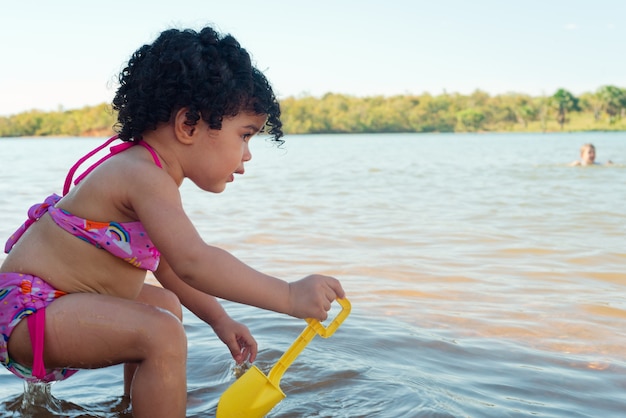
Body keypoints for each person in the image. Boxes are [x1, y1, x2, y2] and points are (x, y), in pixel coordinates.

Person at [0, 26, 345, 418]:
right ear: (189, 125)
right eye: (244, 135)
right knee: (162, 333)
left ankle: (134, 407)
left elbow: (169, 267)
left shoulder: (146, 172)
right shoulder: (143, 176)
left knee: (166, 306)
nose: (247, 155)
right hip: (30, 313)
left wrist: (220, 319)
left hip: (51, 306)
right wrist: (287, 295)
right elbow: (194, 262)